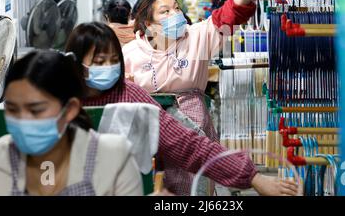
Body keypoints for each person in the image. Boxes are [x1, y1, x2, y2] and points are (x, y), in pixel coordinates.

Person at [65, 21, 298, 196]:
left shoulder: (130, 96)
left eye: (114, 60)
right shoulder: (61, 102)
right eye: (99, 62)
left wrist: (253, 177)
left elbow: (187, 145)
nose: (108, 67)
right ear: (75, 63)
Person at [122, 0, 272, 194]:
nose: (175, 14)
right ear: (149, 24)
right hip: (153, 137)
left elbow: (232, 12)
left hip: (196, 136)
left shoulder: (197, 37)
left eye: (177, 8)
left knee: (198, 190)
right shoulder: (131, 53)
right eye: (165, 11)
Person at [0, 50, 143, 196]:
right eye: (12, 109)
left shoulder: (113, 158)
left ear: (70, 109)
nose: (21, 120)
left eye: (36, 110)